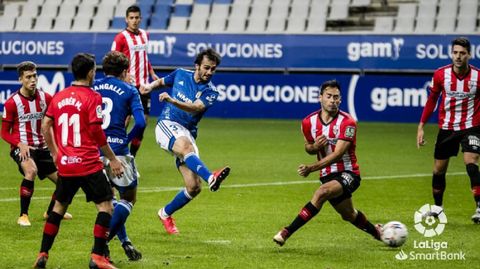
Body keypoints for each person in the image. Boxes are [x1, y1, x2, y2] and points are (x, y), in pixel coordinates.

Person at [33, 53, 124, 269]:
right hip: (88, 163)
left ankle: (43, 253)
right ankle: (97, 256)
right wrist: (112, 159)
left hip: (66, 164)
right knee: (106, 206)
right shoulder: (92, 97)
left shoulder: (59, 96)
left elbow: (45, 126)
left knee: (58, 208)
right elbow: (96, 132)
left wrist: (55, 153)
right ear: (91, 72)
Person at [273, 80, 382, 246]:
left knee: (321, 193)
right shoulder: (308, 122)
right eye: (329, 96)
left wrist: (311, 168)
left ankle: (286, 232)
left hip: (348, 173)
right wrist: (314, 147)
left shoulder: (348, 122)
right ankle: (378, 233)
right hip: (327, 175)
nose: (333, 100)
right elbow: (308, 148)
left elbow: (338, 154)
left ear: (340, 100)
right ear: (320, 98)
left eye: (336, 97)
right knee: (349, 215)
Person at [140, 48, 230, 235]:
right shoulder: (180, 73)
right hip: (167, 124)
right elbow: (163, 81)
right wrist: (150, 86)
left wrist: (172, 100)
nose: (209, 72)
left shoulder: (211, 92)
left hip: (187, 132)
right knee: (186, 148)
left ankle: (165, 214)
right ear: (197, 65)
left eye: (213, 69)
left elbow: (195, 108)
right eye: (206, 67)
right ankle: (211, 177)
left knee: (194, 187)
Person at [417, 37, 480, 224]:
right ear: (451, 54)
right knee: (438, 170)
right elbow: (432, 100)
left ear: (469, 54)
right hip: (447, 127)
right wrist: (421, 126)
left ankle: (479, 206)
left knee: (471, 161)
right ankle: (437, 207)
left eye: (462, 53)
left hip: (472, 126)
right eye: (455, 53)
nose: (458, 57)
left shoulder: (478, 76)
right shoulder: (440, 75)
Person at [1, 61, 72, 227]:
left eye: (34, 76)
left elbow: (54, 123)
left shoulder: (46, 98)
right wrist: (19, 144)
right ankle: (23, 215)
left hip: (43, 148)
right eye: (28, 77)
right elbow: (4, 132)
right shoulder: (12, 102)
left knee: (65, 181)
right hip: (23, 149)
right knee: (31, 170)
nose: (32, 80)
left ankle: (50, 212)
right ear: (21, 79)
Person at [93, 51, 146, 261]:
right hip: (118, 152)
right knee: (128, 198)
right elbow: (141, 123)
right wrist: (126, 140)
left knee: (110, 201)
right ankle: (103, 242)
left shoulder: (93, 87)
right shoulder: (129, 90)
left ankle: (124, 241)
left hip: (95, 151)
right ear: (125, 71)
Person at [111, 4, 159, 157]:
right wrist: (122, 76)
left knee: (142, 125)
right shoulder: (120, 38)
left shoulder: (145, 34)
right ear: (126, 19)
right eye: (131, 18)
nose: (134, 20)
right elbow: (112, 60)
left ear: (141, 18)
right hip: (127, 87)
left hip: (144, 87)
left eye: (137, 17)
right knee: (122, 123)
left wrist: (152, 73)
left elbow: (144, 57)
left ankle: (131, 158)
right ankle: (117, 156)